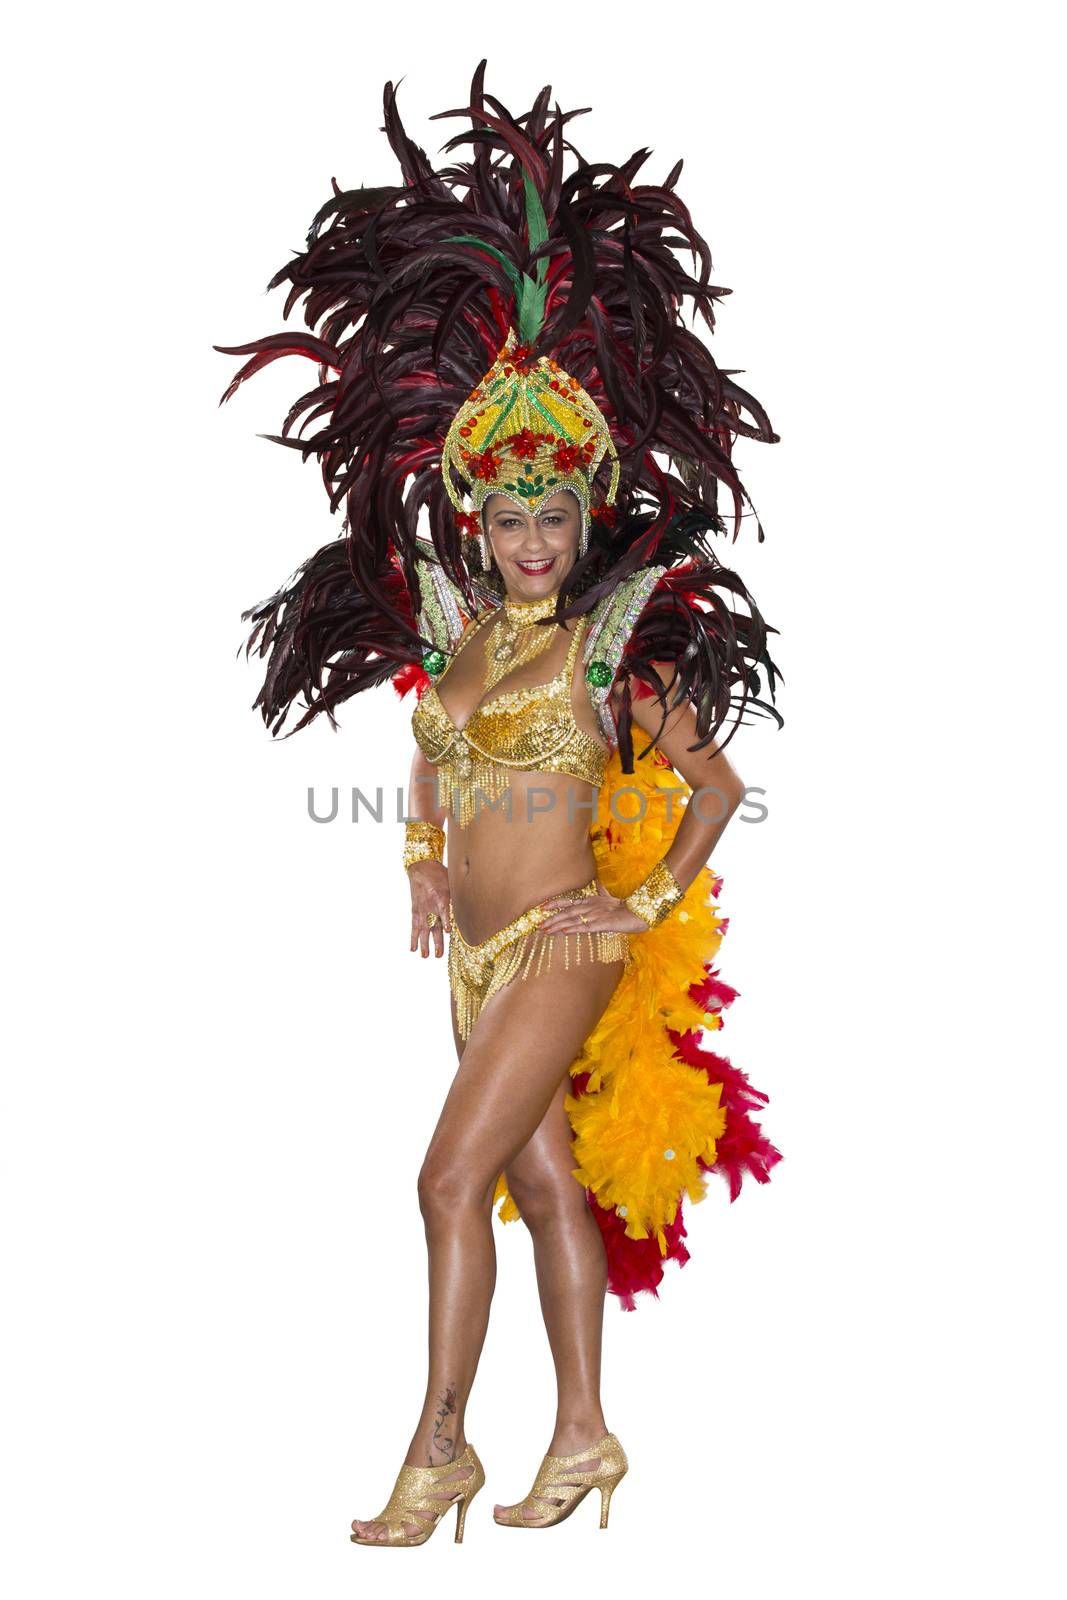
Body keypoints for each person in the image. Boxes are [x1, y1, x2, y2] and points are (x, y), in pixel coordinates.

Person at [215, 62, 785, 1547]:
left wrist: (646, 895)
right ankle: (588, 1433)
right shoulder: (463, 631)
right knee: (533, 1180)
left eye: (554, 514)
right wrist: (415, 859)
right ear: (480, 518)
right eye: (511, 515)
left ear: (586, 513)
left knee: (445, 1178)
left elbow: (719, 787)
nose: (534, 538)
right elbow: (431, 751)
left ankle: (438, 1446)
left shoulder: (616, 645)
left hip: (558, 939)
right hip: (470, 963)